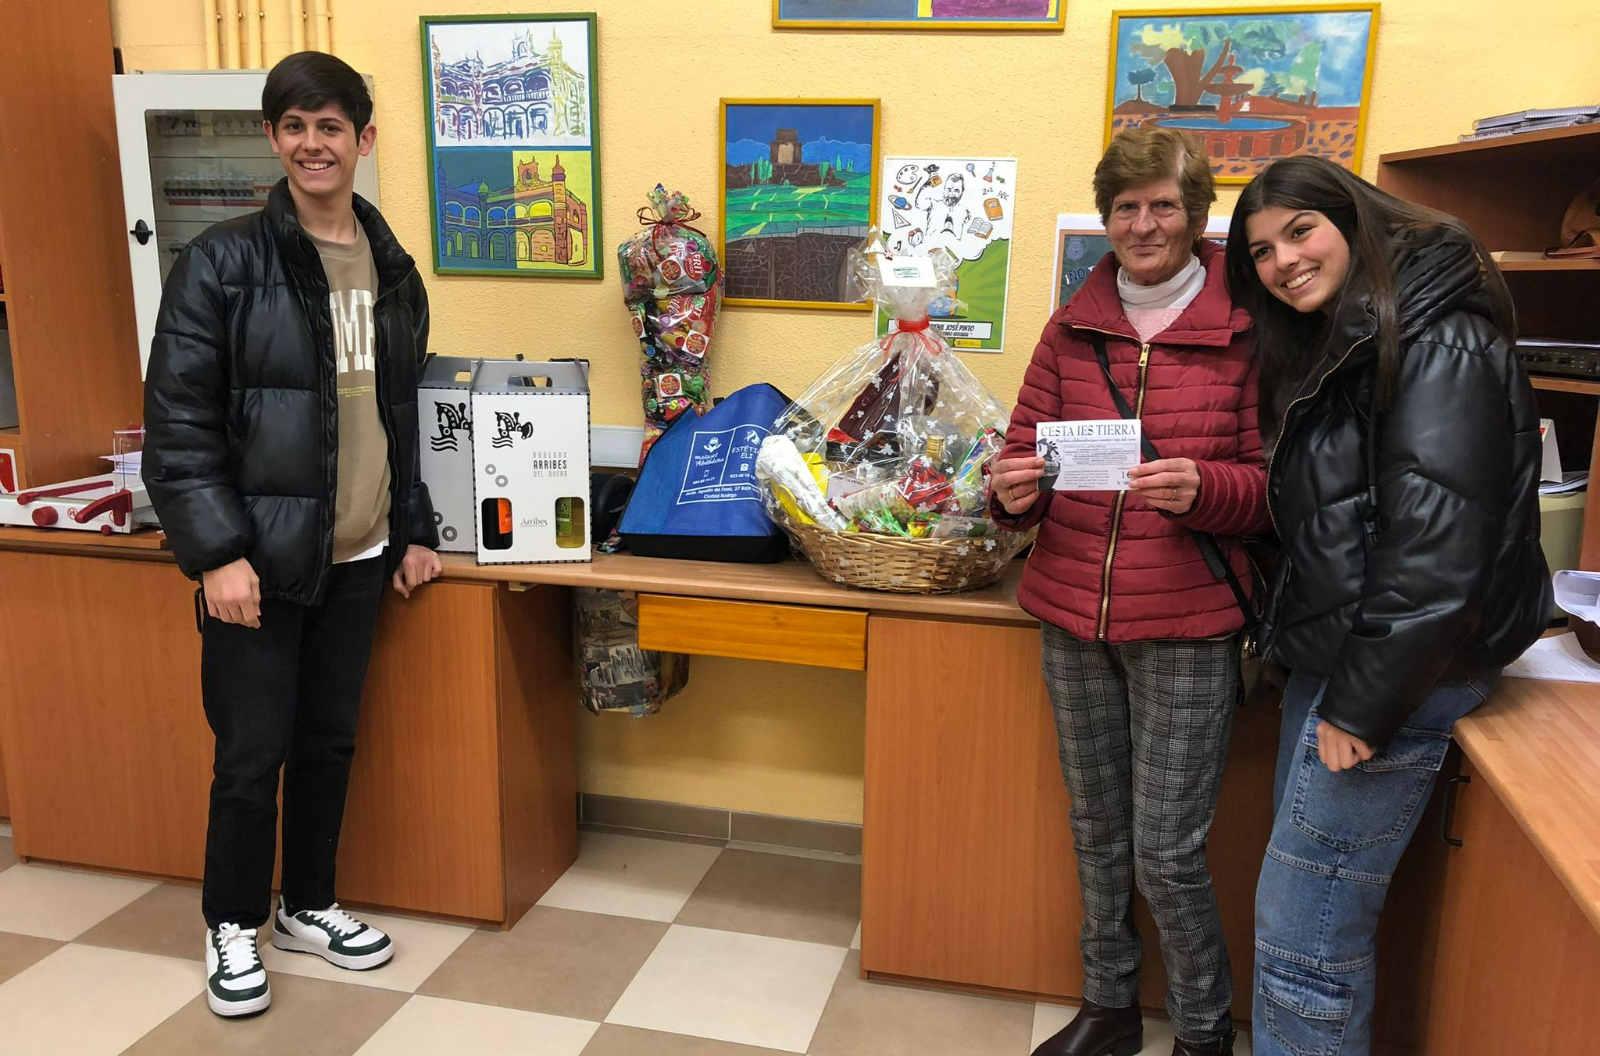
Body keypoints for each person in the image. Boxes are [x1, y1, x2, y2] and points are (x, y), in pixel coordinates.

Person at [1225, 155, 1550, 1056]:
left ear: (1354, 219)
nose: (1284, 260)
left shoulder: (1437, 333)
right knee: (1298, 923)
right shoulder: (1349, 335)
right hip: (1345, 660)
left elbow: (1438, 545)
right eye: (1260, 250)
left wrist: (1366, 700)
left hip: (1395, 676)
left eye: (1300, 231)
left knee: (1306, 939)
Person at [142, 52, 442, 1018]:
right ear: (273, 139)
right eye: (295, 126)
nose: (314, 144)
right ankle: (232, 923)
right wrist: (217, 553)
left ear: (363, 138)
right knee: (250, 755)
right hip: (255, 566)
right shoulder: (221, 262)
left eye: (332, 126)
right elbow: (178, 426)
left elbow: (403, 413)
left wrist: (414, 530)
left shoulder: (393, 269)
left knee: (328, 743)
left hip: (357, 555)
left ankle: (306, 904)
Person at [991, 127, 1269, 1056]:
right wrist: (1011, 494)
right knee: (1097, 828)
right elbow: (1018, 451)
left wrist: (1209, 489)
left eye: (1163, 206)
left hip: (1189, 625)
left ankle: (1199, 1035)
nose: (1144, 223)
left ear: (1196, 216)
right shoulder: (1072, 325)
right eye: (1126, 207)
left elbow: (1283, 486)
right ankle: (1108, 1008)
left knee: (1170, 851)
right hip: (1072, 613)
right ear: (1107, 219)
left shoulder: (1250, 328)